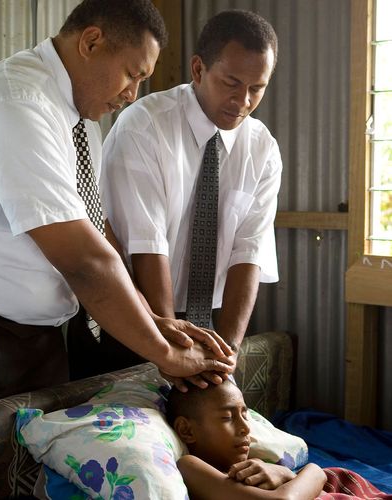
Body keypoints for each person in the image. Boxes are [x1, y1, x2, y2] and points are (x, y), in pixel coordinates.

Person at [0, 0, 231, 493]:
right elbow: (84, 260)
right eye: (132, 75)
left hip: (38, 334)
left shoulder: (77, 115)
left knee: (29, 479)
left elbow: (98, 235)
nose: (132, 94)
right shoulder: (17, 104)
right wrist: (162, 353)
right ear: (91, 43)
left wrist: (151, 317)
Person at [70, 9, 282, 386]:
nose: (243, 101)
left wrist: (225, 356)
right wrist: (168, 347)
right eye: (231, 82)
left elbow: (248, 255)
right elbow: (146, 245)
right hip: (131, 314)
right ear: (198, 70)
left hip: (202, 321)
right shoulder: (145, 126)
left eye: (256, 88)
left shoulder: (262, 148)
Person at [165, 380, 392, 499]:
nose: (245, 428)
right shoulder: (189, 466)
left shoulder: (250, 462)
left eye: (245, 414)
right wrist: (312, 470)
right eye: (227, 417)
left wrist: (283, 474)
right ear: (186, 430)